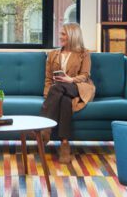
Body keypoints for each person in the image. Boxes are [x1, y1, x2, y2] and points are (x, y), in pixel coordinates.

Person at [40, 22, 94, 164]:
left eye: (63, 34)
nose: (60, 37)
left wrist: (71, 79)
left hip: (78, 87)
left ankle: (45, 128)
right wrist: (49, 95)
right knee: (63, 99)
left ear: (72, 36)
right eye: (60, 34)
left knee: (59, 87)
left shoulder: (84, 53)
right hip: (59, 91)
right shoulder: (52, 54)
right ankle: (64, 144)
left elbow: (85, 75)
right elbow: (48, 78)